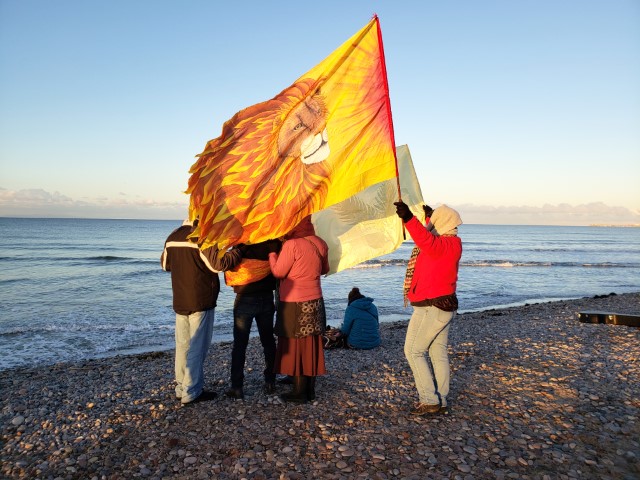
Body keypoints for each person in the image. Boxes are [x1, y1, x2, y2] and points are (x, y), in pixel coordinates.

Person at [161, 219, 243, 405]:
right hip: (201, 299)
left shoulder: (173, 236)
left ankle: (181, 386)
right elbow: (218, 265)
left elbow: (165, 265)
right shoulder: (202, 237)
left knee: (182, 345)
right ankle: (192, 391)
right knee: (197, 346)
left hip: (180, 299)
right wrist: (238, 252)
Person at [393, 201, 463, 416]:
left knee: (413, 351)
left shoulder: (445, 245)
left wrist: (408, 219)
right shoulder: (448, 243)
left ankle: (429, 400)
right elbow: (430, 237)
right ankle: (440, 400)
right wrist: (427, 218)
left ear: (441, 223)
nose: (431, 224)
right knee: (437, 352)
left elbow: (425, 240)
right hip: (438, 306)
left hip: (432, 307)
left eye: (434, 221)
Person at [268, 216, 329, 403]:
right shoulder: (320, 242)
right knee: (310, 344)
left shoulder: (292, 244)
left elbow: (278, 272)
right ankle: (309, 390)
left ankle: (299, 392)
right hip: (316, 301)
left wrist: (272, 254)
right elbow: (325, 269)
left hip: (295, 302)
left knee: (296, 346)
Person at [223, 239, 282, 400]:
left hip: (245, 299)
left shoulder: (241, 244)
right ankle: (270, 382)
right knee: (268, 341)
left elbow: (229, 266)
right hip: (266, 298)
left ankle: (237, 387)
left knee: (240, 345)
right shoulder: (274, 243)